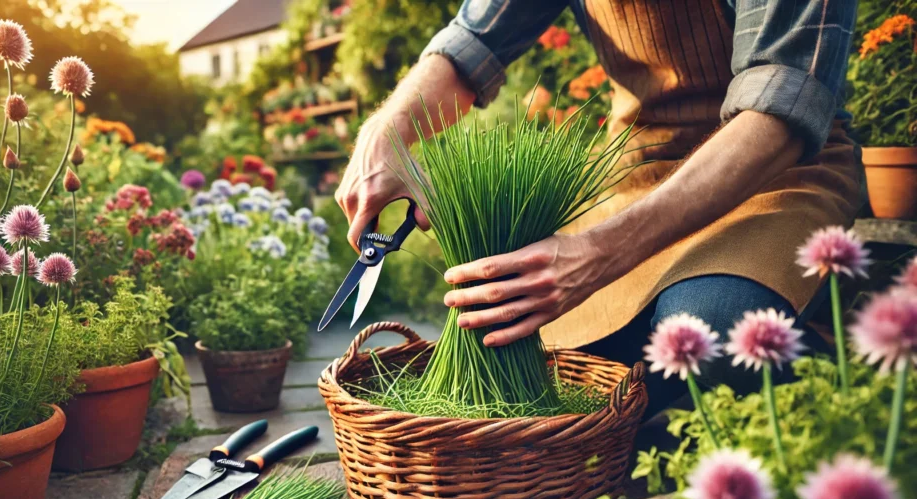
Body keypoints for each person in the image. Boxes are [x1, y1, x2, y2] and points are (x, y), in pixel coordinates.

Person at [334, 0, 864, 418]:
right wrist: (384, 132)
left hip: (776, 175)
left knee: (707, 334)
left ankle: (841, 404)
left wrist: (596, 254)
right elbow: (475, 39)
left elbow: (782, 108)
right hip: (634, 173)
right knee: (556, 368)